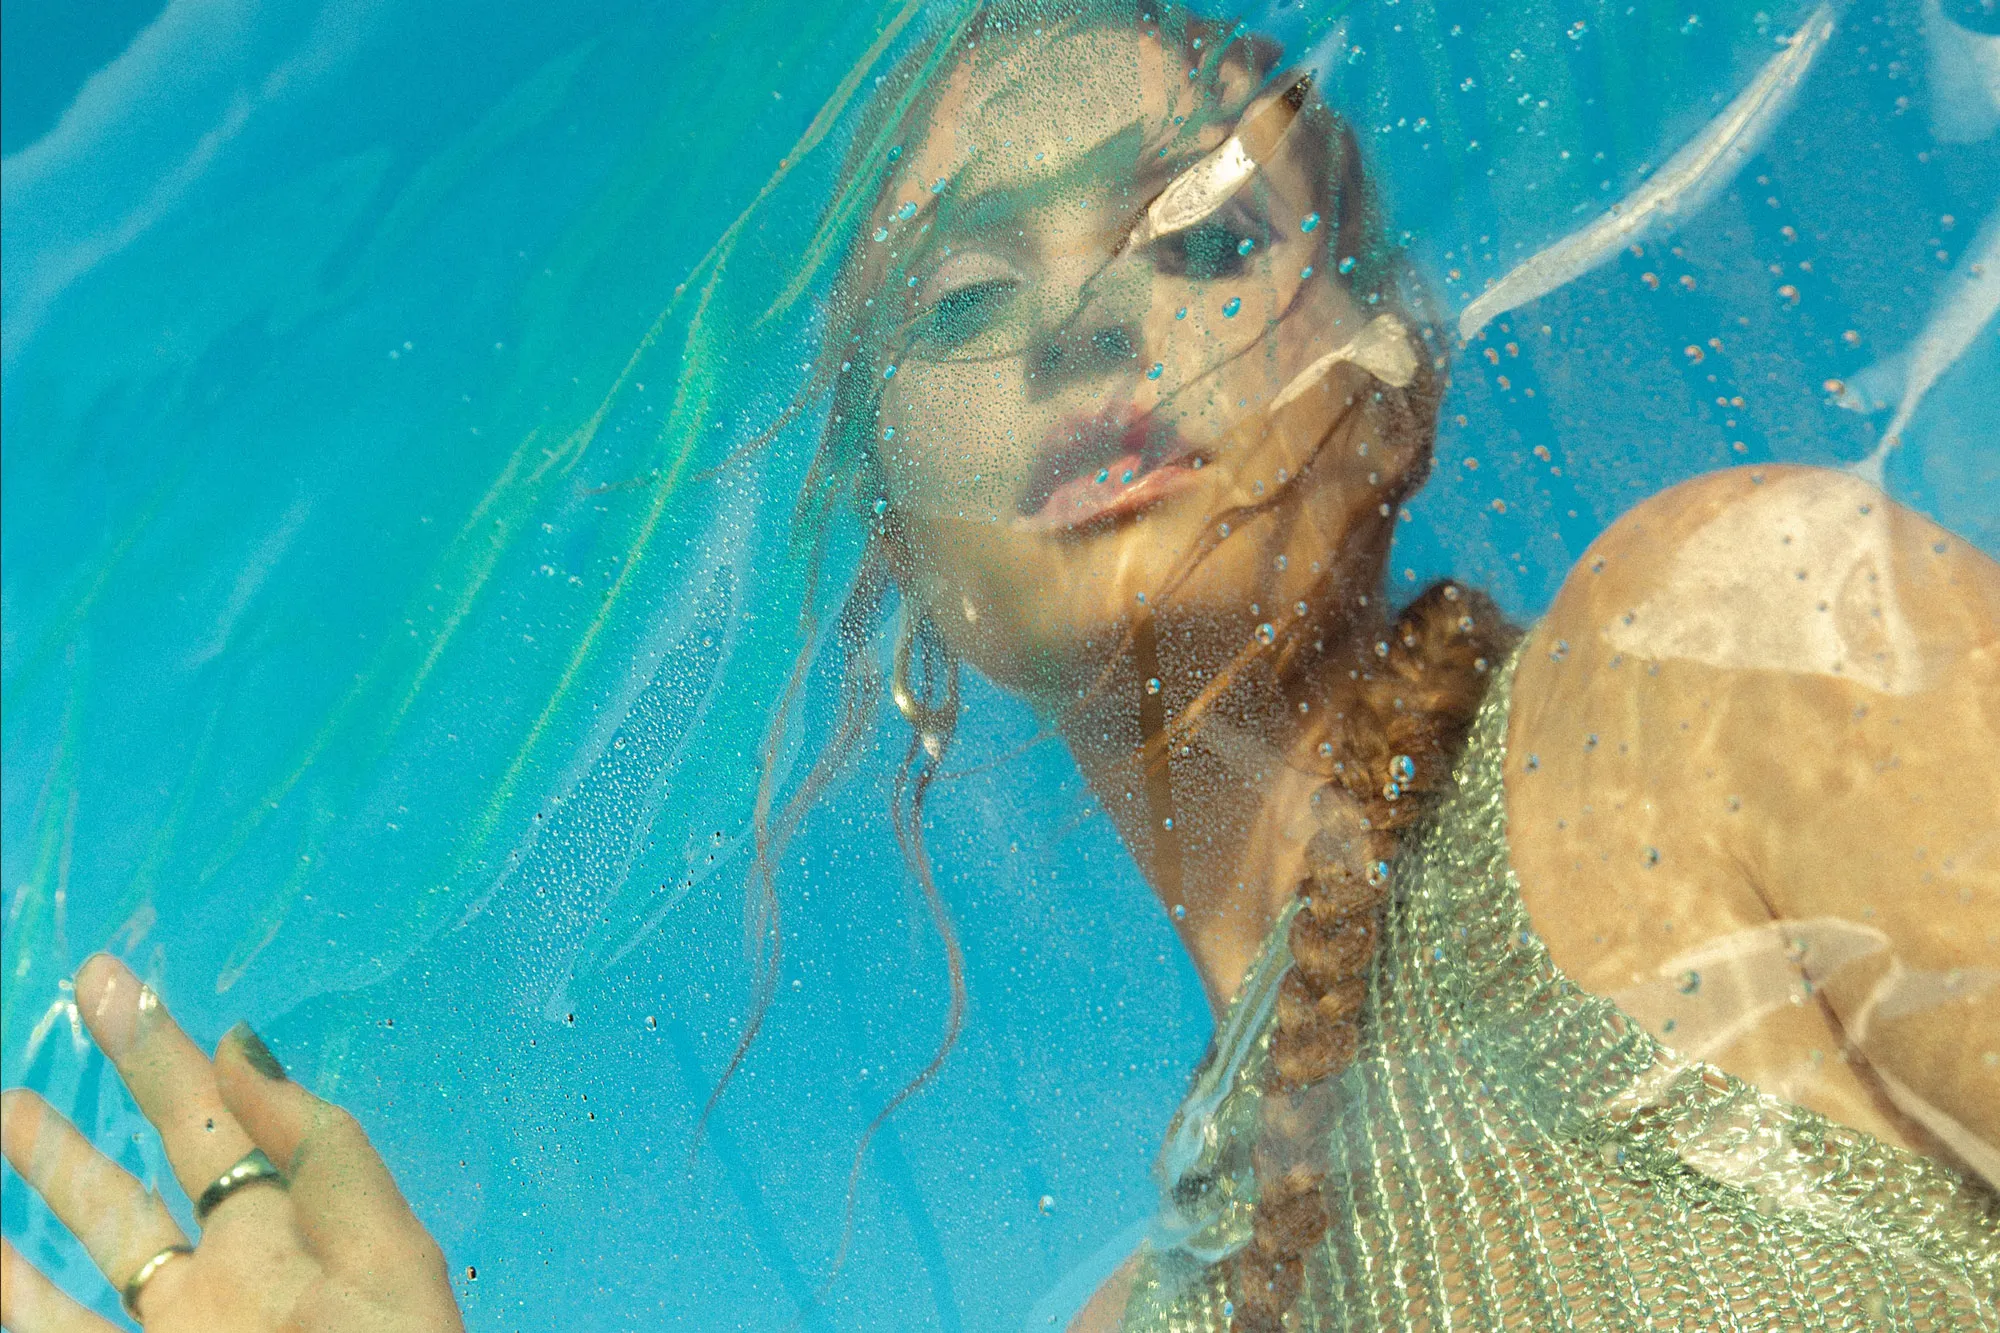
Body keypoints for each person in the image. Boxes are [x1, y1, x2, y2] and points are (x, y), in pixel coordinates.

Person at [3, 5, 1995, 1330]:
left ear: (1390, 379)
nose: (1085, 319)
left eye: (1201, 237)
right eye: (963, 295)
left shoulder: (1719, 654)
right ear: (896, 546)